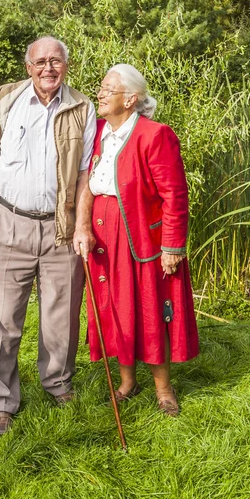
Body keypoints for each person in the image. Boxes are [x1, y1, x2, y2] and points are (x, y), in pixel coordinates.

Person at [0, 36, 96, 435]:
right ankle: (1, 401)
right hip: (8, 223)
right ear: (28, 67)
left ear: (66, 66)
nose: (48, 68)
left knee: (61, 317)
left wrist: (83, 225)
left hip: (61, 226)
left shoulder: (82, 107)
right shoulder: (2, 101)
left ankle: (57, 383)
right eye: (40, 62)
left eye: (56, 61)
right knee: (3, 320)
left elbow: (87, 172)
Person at [86, 64, 198, 416]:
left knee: (149, 310)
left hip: (139, 239)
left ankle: (164, 390)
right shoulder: (99, 132)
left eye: (108, 89)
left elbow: (175, 195)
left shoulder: (155, 134)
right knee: (117, 308)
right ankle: (127, 382)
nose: (100, 94)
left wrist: (172, 246)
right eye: (101, 88)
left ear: (130, 99)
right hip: (103, 235)